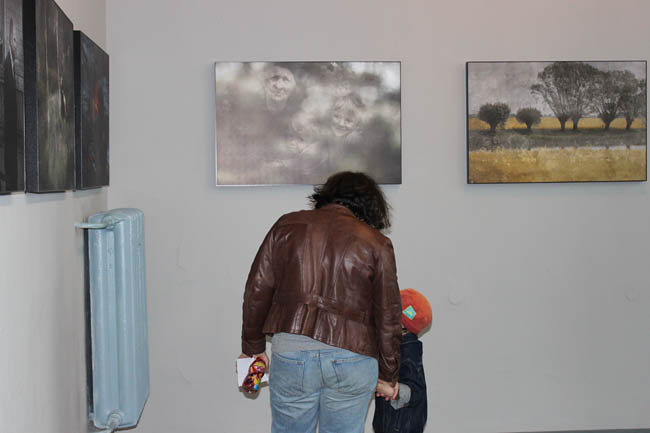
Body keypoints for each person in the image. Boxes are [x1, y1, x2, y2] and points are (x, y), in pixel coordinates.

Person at [240, 171, 403, 433]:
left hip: (292, 354)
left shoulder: (286, 226)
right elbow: (389, 315)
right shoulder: (376, 243)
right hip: (353, 359)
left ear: (326, 195)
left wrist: (253, 347)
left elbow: (257, 289)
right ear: (370, 206)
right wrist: (388, 375)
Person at [373, 288, 432, 433]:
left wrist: (386, 389)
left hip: (401, 426)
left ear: (401, 322)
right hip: (389, 424)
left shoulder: (409, 350)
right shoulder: (394, 346)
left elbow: (415, 391)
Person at [3, 18, 19, 191]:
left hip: (12, 136)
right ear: (9, 39)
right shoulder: (6, 64)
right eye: (14, 40)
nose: (17, 45)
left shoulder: (13, 65)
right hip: (7, 135)